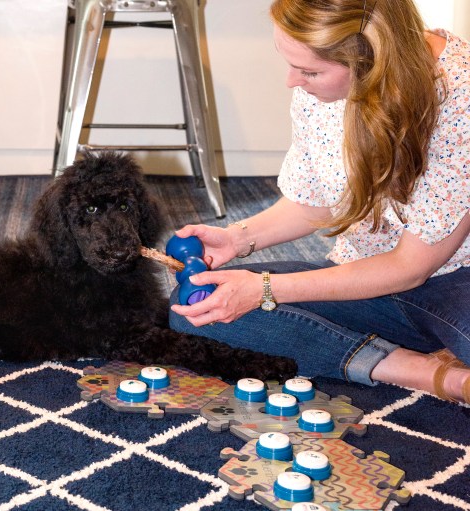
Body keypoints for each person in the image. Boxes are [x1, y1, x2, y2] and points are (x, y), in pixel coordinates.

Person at [169, 0, 470, 404]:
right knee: (195, 310)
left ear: (373, 62)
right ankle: (423, 371)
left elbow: (410, 267)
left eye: (310, 71)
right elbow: (316, 204)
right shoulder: (319, 93)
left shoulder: (459, 95)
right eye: (290, 62)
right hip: (359, 274)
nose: (292, 81)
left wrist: (264, 289)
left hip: (452, 282)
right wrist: (239, 239)